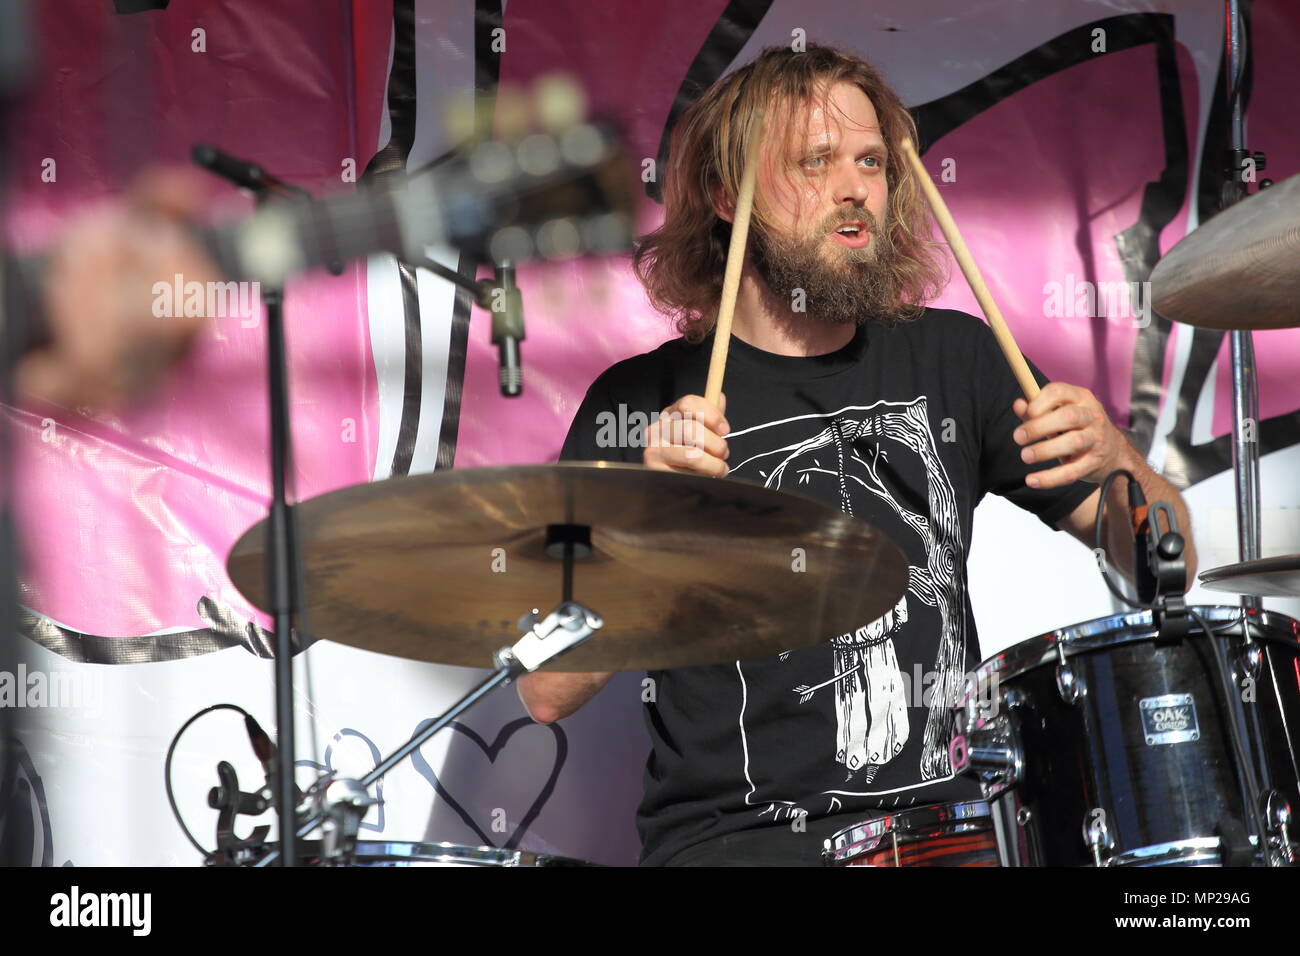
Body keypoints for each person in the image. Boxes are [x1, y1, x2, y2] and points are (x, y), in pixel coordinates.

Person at [516, 44, 1197, 866]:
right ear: (729, 196)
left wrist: (1117, 456)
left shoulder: (956, 359)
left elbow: (1165, 566)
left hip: (951, 837)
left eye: (871, 161)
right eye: (817, 161)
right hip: (742, 846)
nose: (854, 188)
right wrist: (643, 533)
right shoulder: (638, 403)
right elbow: (545, 688)